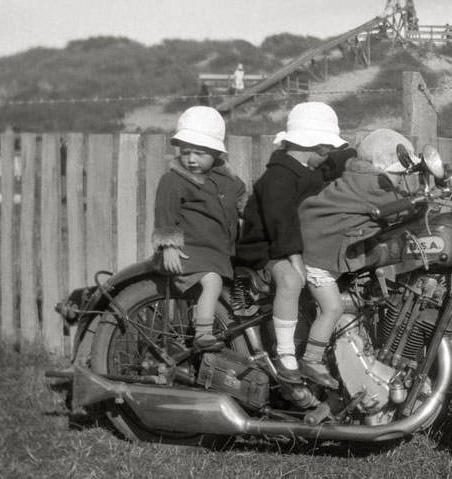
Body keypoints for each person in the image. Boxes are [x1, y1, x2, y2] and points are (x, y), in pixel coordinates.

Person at [236, 102, 355, 386]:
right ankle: (286, 355)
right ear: (319, 148)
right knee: (291, 280)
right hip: (264, 247)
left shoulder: (301, 167)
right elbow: (281, 220)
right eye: (327, 150)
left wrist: (355, 155)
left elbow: (331, 169)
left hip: (286, 242)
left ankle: (312, 352)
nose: (327, 159)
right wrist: (295, 257)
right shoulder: (279, 176)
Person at [297, 129, 418, 388]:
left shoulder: (359, 177)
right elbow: (400, 206)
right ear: (380, 167)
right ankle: (311, 360)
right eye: (398, 174)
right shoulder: (374, 184)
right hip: (317, 257)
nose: (400, 180)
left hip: (317, 246)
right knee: (333, 308)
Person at [152, 106, 246, 352]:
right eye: (186, 152)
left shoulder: (228, 180)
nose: (191, 159)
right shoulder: (174, 180)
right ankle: (203, 333)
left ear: (216, 153)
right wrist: (168, 247)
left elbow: (243, 202)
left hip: (217, 252)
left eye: (200, 153)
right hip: (189, 252)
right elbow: (165, 215)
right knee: (212, 282)